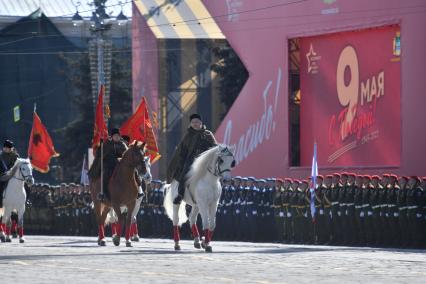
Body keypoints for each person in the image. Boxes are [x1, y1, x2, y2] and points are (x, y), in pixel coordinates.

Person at [167, 114, 217, 204]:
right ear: (190, 124)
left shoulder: (208, 134)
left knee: (216, 172)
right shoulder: (188, 136)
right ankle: (180, 195)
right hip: (191, 161)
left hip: (206, 161)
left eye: (197, 122)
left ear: (201, 123)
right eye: (193, 122)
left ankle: (216, 193)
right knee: (184, 176)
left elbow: (215, 147)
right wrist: (181, 163)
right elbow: (182, 152)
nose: (195, 124)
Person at [88, 128, 127, 199]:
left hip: (121, 165)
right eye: (115, 136)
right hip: (109, 164)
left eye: (118, 136)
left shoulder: (123, 144)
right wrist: (101, 144)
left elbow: (126, 154)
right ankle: (103, 193)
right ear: (112, 137)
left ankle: (138, 190)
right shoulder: (108, 144)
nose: (117, 137)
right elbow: (102, 153)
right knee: (105, 174)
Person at [0, 139, 20, 208]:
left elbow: (16, 165)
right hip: (2, 175)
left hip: (13, 174)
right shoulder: (1, 155)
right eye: (4, 148)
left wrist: (10, 170)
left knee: (25, 184)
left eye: (7, 148)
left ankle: (26, 200)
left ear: (11, 148)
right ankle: (0, 203)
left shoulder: (15, 156)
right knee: (1, 186)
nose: (5, 149)